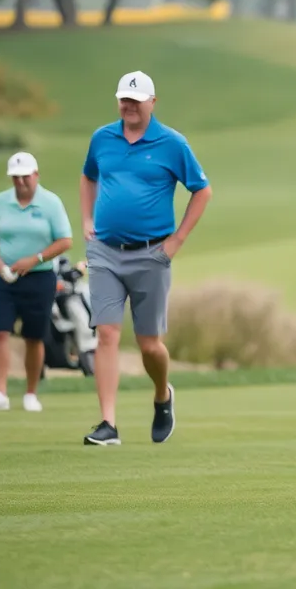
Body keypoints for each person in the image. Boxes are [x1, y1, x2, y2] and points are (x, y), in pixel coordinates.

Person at [79, 71, 212, 446]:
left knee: (149, 344)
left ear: (152, 102)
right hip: (104, 251)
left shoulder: (172, 143)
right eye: (124, 99)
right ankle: (108, 425)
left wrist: (177, 241)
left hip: (151, 254)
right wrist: (87, 219)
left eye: (136, 100)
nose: (129, 106)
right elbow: (88, 177)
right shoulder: (102, 138)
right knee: (105, 334)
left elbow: (202, 190)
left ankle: (162, 395)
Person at [0, 151, 73, 413]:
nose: (20, 182)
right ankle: (0, 392)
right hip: (4, 278)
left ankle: (31, 393)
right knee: (0, 332)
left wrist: (35, 259)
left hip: (40, 278)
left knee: (34, 337)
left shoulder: (50, 203)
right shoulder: (0, 202)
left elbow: (65, 241)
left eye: (25, 176)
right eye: (15, 177)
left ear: (36, 175)